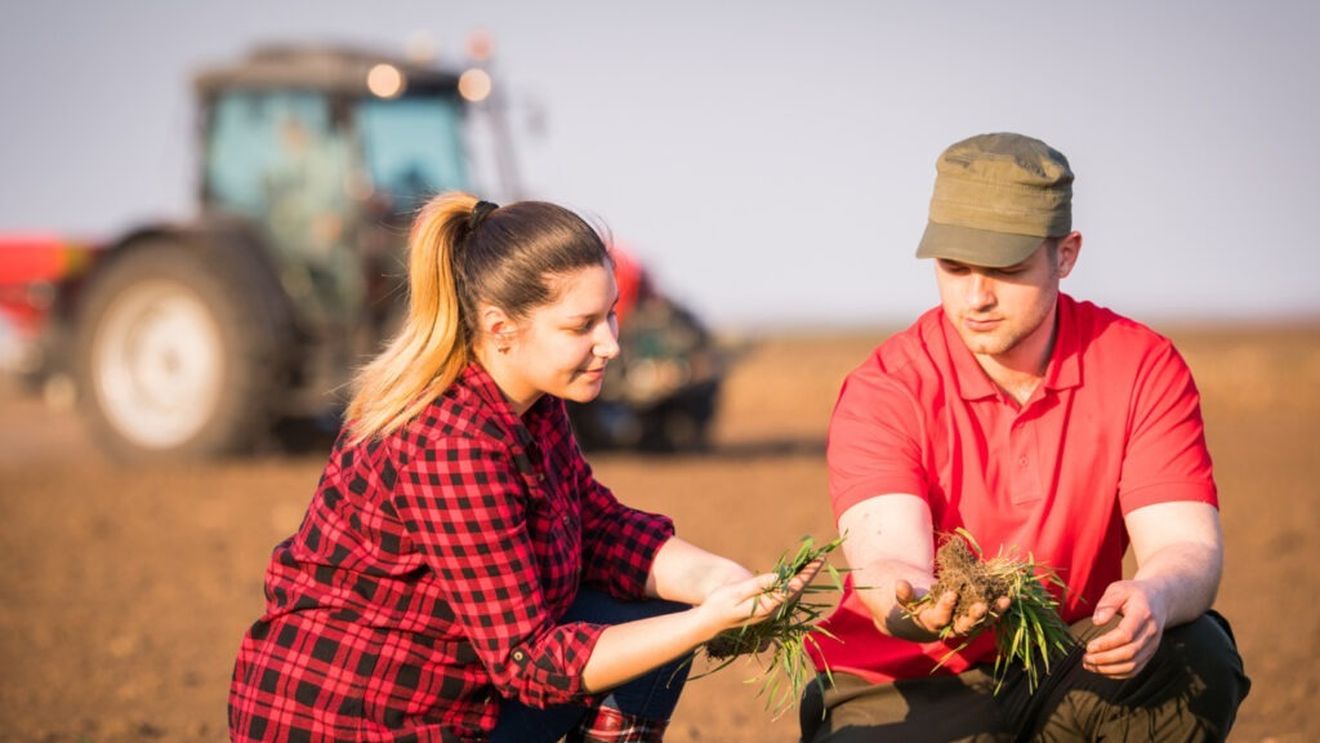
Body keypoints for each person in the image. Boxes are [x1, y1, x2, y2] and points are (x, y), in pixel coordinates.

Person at [229, 192, 817, 743]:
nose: (610, 343)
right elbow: (529, 664)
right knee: (663, 635)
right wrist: (704, 624)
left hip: (452, 694)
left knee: (657, 618)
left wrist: (722, 582)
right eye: (580, 326)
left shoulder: (531, 405)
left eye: (610, 316)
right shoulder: (450, 444)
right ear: (501, 329)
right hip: (360, 719)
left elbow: (599, 529)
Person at [800, 133, 1250, 742]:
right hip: (908, 685)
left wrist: (1155, 597)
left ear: (1066, 255)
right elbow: (887, 564)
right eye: (954, 268)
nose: (976, 297)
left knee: (1194, 654)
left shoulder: (1141, 365)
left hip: (1066, 660)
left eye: (1006, 271)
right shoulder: (885, 389)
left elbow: (1187, 548)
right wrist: (923, 605)